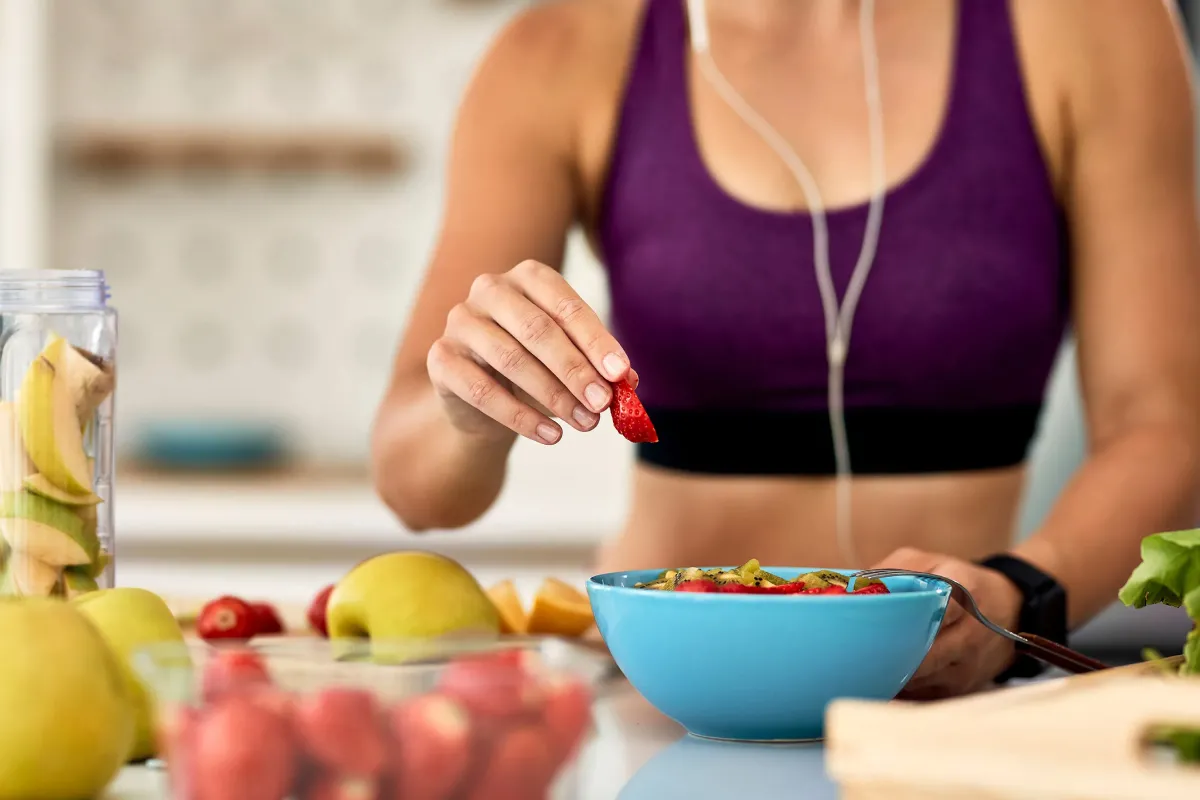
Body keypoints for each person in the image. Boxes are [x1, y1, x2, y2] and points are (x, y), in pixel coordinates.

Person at [371, 0, 1200, 698]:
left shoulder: (1093, 22)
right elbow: (419, 488)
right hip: (664, 699)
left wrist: (1022, 592)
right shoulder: (563, 47)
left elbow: (1165, 422)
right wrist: (467, 405)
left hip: (946, 700)